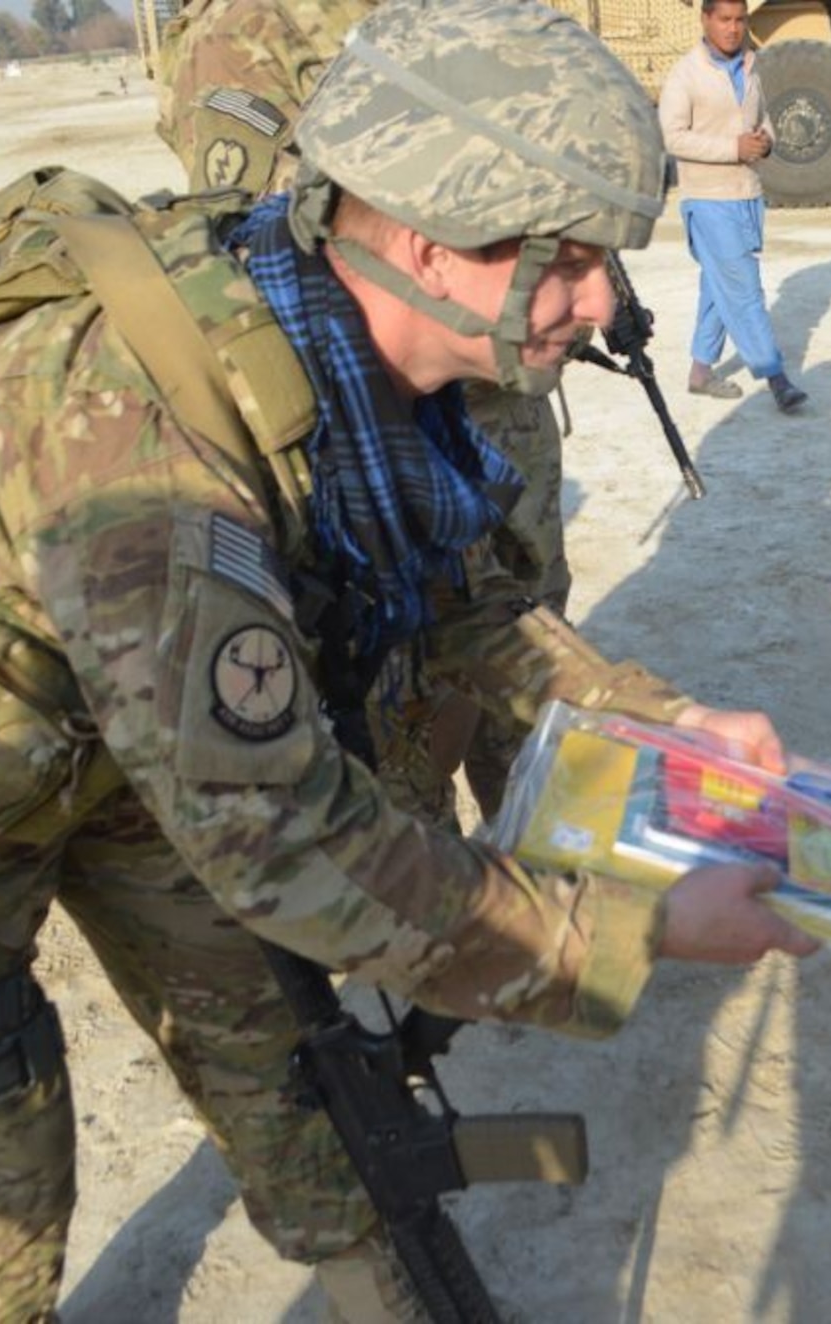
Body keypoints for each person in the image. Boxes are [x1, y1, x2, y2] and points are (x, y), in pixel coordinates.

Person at [0, 3, 820, 1320]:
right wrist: (623, 933)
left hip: (116, 734)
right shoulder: (153, 448)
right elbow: (297, 851)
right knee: (1, 1183)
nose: (600, 302)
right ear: (421, 239)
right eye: (569, 258)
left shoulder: (343, 358)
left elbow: (465, 598)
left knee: (287, 1073)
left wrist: (660, 721)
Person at [156, 0, 569, 829]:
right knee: (402, 746)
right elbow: (265, 268)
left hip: (485, 419)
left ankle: (543, 875)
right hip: (370, 437)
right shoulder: (245, 35)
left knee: (528, 692)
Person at [659, 0, 809, 412]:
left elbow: (761, 120)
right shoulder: (686, 74)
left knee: (717, 286)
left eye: (740, 20)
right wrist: (732, 148)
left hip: (746, 195)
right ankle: (777, 378)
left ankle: (700, 371)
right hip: (707, 200)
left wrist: (765, 141)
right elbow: (672, 137)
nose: (733, 28)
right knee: (744, 290)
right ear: (705, 19)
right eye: (724, 20)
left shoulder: (749, 64)